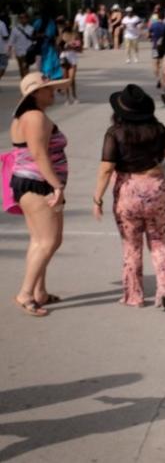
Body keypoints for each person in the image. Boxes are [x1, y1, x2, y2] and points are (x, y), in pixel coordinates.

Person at [93, 84, 165, 309]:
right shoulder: (159, 129)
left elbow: (106, 169)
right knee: (159, 240)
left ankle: (134, 295)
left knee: (131, 246)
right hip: (156, 190)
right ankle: (164, 289)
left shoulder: (115, 133)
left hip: (127, 191)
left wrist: (98, 198)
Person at [10, 73, 71, 317]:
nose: (53, 92)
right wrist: (57, 186)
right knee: (46, 241)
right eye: (48, 89)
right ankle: (25, 293)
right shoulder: (35, 117)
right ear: (35, 94)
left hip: (33, 183)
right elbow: (39, 156)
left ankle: (39, 291)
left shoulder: (29, 116)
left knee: (43, 240)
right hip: (37, 184)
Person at [34, 8, 63, 80]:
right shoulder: (38, 22)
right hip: (41, 47)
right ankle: (45, 77)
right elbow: (33, 35)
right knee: (42, 65)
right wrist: (41, 35)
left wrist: (57, 46)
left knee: (51, 63)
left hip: (50, 47)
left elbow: (56, 35)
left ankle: (49, 77)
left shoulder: (52, 23)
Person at [58, 30, 81, 105]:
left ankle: (74, 96)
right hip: (64, 59)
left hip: (73, 59)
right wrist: (64, 46)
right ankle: (67, 98)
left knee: (72, 79)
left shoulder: (75, 35)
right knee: (65, 79)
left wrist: (72, 47)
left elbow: (80, 49)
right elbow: (58, 48)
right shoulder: (62, 36)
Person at [9, 12, 34, 78]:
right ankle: (24, 81)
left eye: (24, 18)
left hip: (28, 52)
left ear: (27, 19)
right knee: (21, 68)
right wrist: (9, 50)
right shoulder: (15, 29)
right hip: (19, 52)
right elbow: (11, 40)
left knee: (25, 67)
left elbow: (34, 39)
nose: (23, 19)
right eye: (21, 18)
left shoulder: (31, 29)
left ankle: (27, 82)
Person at [148, 13, 165, 89]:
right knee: (162, 63)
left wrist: (151, 38)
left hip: (155, 47)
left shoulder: (153, 25)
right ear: (164, 17)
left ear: (158, 17)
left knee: (155, 63)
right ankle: (163, 80)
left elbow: (149, 34)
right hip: (164, 47)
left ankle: (158, 79)